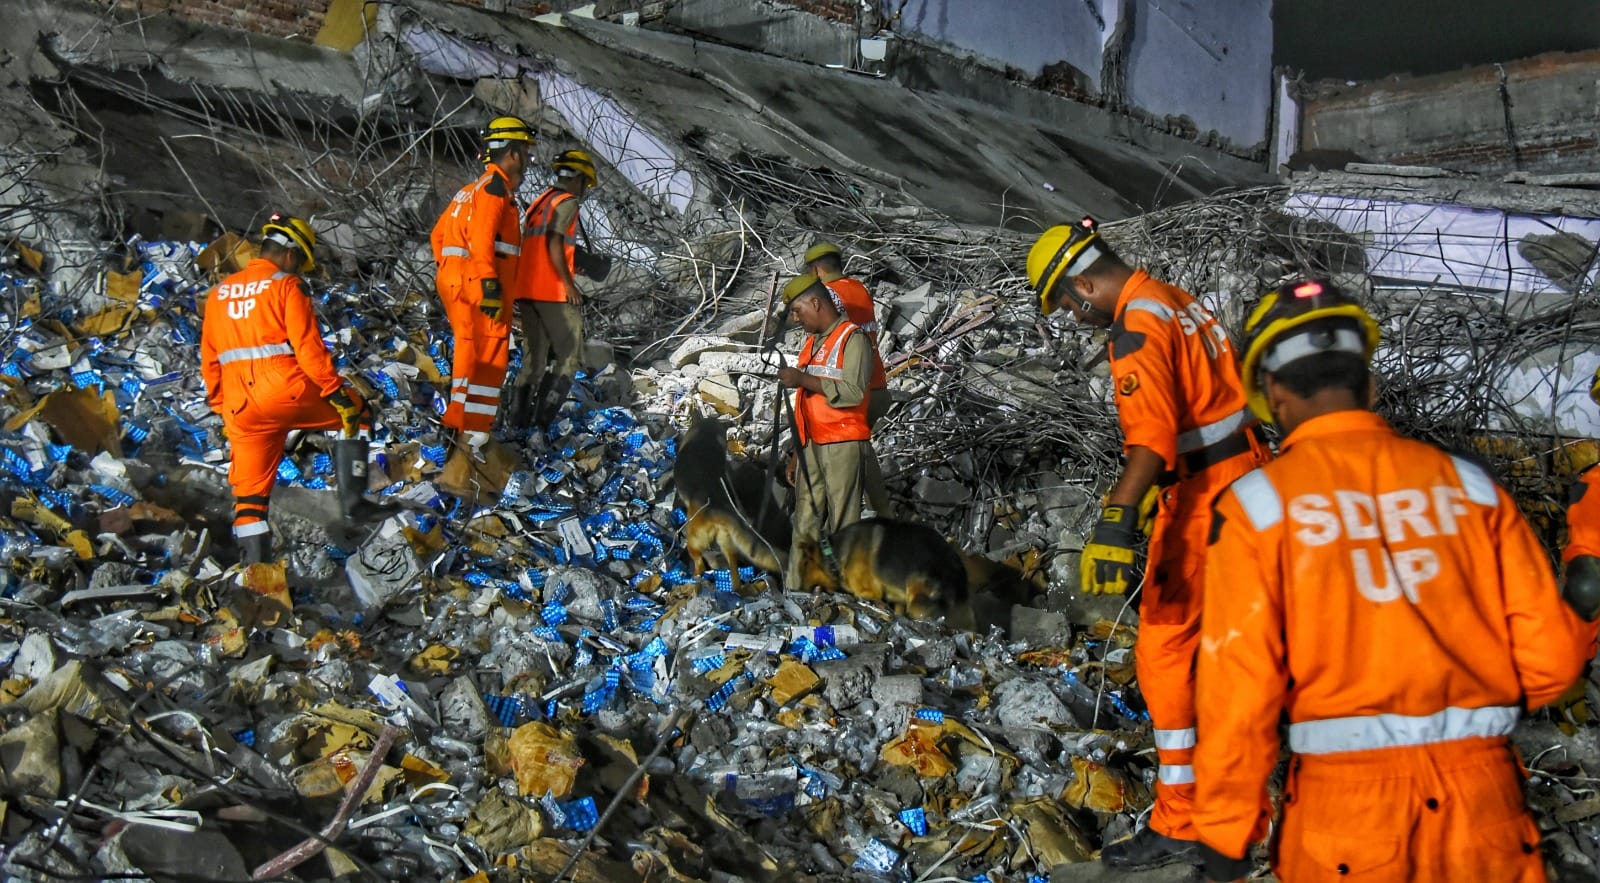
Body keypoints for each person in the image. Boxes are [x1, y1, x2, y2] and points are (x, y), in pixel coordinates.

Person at [1192, 279, 1597, 883]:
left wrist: (1226, 832)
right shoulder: (1469, 487)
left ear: (1272, 393)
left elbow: (1239, 688)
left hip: (1348, 817)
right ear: (1370, 381)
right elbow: (1553, 662)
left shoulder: (1256, 508)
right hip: (1484, 808)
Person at [1026, 217, 1268, 869]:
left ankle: (1195, 821)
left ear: (1083, 284)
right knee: (1224, 653)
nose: (1075, 319)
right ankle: (1223, 818)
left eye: (1067, 305)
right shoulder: (1174, 298)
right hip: (1243, 480)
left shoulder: (1135, 326)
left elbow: (1153, 442)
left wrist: (1115, 521)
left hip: (1208, 498)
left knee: (1172, 651)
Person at [201, 213, 364, 565]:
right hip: (284, 389)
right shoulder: (286, 286)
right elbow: (308, 349)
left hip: (239, 404)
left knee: (249, 494)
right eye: (301, 263)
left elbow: (210, 359)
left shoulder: (218, 294)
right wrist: (338, 395)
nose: (301, 270)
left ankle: (255, 574)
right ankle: (356, 510)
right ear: (291, 255)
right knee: (360, 413)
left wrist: (220, 402)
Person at [429, 116, 532, 455]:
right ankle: (472, 437)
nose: (529, 160)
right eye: (527, 152)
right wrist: (488, 285)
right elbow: (482, 238)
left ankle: (454, 428)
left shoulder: (467, 191)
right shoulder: (494, 190)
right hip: (482, 285)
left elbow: (438, 236)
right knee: (489, 361)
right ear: (513, 153)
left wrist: (451, 272)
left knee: (468, 356)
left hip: (458, 282)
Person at [777, 272, 872, 590]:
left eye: (797, 310)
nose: (795, 318)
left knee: (844, 522)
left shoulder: (852, 338)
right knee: (804, 519)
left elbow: (854, 392)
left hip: (843, 444)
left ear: (815, 303)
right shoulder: (814, 344)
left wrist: (802, 379)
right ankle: (796, 589)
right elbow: (804, 403)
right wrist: (795, 451)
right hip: (812, 445)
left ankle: (848, 596)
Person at [507, 149, 598, 429]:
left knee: (534, 359)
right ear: (579, 179)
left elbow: (538, 243)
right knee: (570, 354)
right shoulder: (568, 201)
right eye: (585, 184)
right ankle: (542, 422)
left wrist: (573, 265)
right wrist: (568, 284)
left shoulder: (540, 201)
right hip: (551, 292)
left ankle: (518, 423)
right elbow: (553, 242)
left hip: (527, 288)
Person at [805, 241, 892, 515]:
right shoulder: (859, 289)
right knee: (860, 450)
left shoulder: (828, 295)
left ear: (816, 269)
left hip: (852, 392)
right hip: (877, 386)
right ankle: (883, 512)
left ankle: (845, 524)